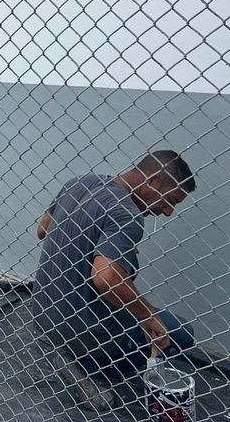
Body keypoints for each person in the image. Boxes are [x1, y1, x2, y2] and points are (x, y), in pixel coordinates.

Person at [32, 150, 197, 411]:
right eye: (170, 200)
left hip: (44, 314)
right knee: (181, 332)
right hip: (84, 328)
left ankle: (74, 353)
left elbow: (43, 229)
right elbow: (105, 277)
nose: (167, 212)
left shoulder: (80, 182)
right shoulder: (126, 214)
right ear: (152, 180)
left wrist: (98, 242)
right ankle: (88, 366)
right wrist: (148, 315)